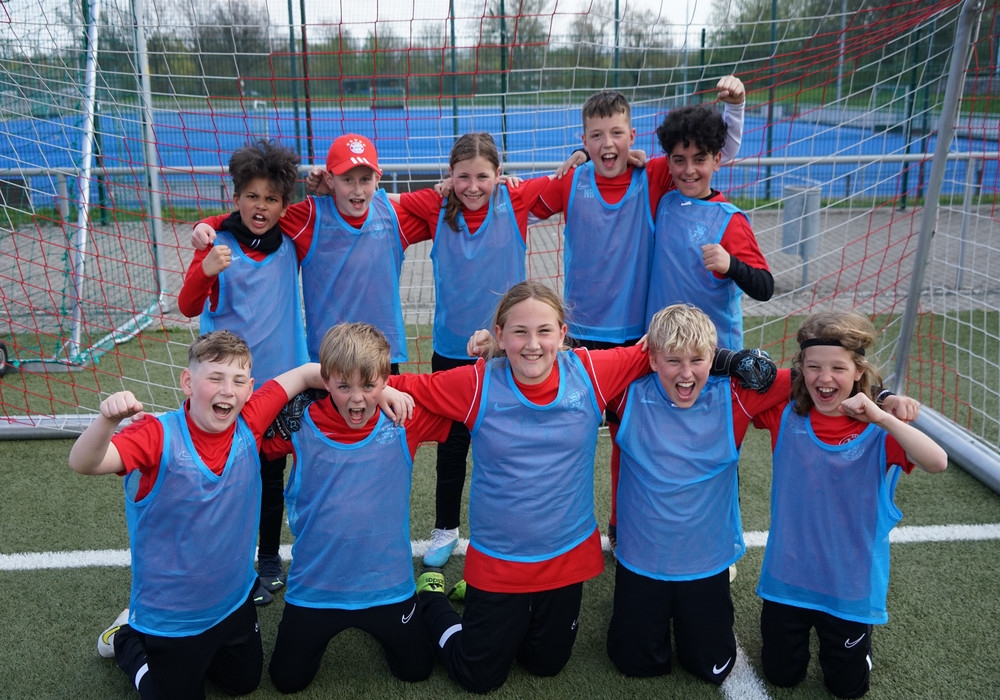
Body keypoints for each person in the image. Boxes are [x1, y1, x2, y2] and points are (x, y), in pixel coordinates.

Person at [387, 281, 776, 694]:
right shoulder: (476, 383)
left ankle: (506, 611)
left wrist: (730, 360)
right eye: (519, 332)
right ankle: (434, 600)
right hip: (499, 560)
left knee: (546, 665)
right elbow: (395, 385)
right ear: (499, 335)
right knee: (477, 676)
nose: (532, 344)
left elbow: (662, 352)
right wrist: (342, 383)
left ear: (562, 333)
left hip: (565, 559)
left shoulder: (590, 372)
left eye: (543, 331)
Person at [532, 78, 749, 547]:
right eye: (596, 136)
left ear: (633, 137)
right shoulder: (573, 179)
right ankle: (559, 529)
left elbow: (713, 154)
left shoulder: (651, 177)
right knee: (567, 437)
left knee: (632, 438)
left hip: (637, 339)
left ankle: (622, 524)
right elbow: (521, 204)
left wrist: (736, 108)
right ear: (583, 140)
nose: (607, 144)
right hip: (579, 337)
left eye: (616, 133)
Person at [67, 331, 323, 699]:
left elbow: (307, 373)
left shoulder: (250, 419)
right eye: (215, 378)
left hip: (233, 602)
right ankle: (126, 638)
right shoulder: (157, 435)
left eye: (238, 381)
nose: (227, 390)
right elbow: (84, 462)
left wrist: (384, 391)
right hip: (171, 616)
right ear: (188, 382)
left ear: (250, 389)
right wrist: (106, 421)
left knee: (243, 684)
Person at [752, 310, 947, 698]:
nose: (824, 378)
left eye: (838, 368)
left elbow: (937, 462)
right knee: (781, 676)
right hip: (787, 577)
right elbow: (751, 383)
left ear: (859, 371)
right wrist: (884, 395)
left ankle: (861, 648)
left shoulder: (879, 431)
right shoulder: (784, 414)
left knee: (847, 689)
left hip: (849, 584)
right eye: (814, 367)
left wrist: (883, 414)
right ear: (801, 368)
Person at [389, 132, 555, 568]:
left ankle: (513, 529)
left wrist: (578, 153)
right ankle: (445, 529)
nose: (473, 186)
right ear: (450, 176)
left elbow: (569, 181)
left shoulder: (515, 200)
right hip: (451, 351)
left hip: (508, 350)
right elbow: (383, 201)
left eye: (483, 176)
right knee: (452, 446)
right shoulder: (436, 205)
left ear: (499, 175)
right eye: (463, 177)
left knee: (508, 446)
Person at [260, 322, 452, 692]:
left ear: (386, 380)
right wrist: (304, 377)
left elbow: (463, 400)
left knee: (416, 670)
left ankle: (429, 598)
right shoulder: (299, 423)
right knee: (287, 681)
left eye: (368, 386)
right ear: (324, 381)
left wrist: (391, 388)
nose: (357, 399)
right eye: (344, 386)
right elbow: (246, 421)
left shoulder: (403, 419)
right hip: (316, 588)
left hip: (388, 586)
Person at [177, 138, 306, 605]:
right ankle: (225, 564)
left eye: (271, 198)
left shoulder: (292, 239)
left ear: (284, 206)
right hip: (224, 390)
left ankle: (268, 557)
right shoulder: (217, 243)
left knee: (270, 476)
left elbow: (326, 207)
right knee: (221, 478)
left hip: (278, 387)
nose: (260, 206)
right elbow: (187, 305)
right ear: (236, 198)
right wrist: (206, 268)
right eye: (251, 196)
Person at [191, 133, 431, 369]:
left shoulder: (392, 216)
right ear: (330, 180)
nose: (357, 190)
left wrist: (446, 188)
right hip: (328, 356)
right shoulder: (309, 216)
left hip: (383, 355)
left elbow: (437, 215)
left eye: (365, 179)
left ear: (378, 178)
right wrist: (207, 223)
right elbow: (257, 213)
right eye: (347, 179)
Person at [647, 103, 773, 350]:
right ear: (668, 162)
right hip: (664, 349)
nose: (689, 170)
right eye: (680, 160)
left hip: (715, 355)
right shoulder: (664, 201)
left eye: (699, 159)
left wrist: (731, 265)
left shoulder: (729, 219)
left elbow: (765, 287)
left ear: (716, 160)